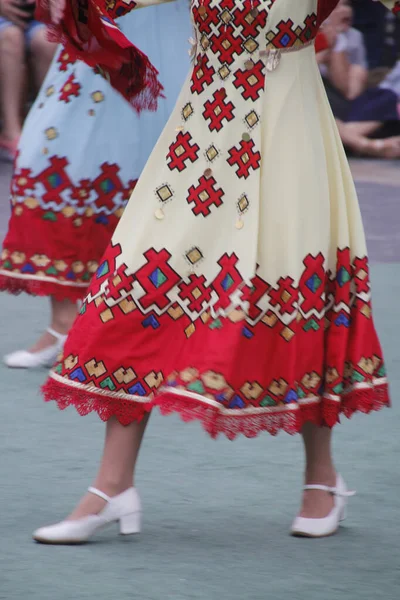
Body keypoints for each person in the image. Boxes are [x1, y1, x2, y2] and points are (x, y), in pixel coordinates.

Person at [33, 0, 398, 545]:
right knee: (138, 281)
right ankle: (111, 486)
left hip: (286, 135)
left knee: (296, 285)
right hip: (197, 139)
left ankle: (321, 476)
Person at [0, 1, 190, 368]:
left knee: (153, 168)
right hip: (97, 30)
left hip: (157, 32)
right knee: (51, 160)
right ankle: (66, 324)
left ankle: (151, 328)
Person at [318, 0, 400, 158]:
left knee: (386, 97)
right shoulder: (304, 35)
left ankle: (347, 138)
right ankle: (366, 145)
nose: (344, 11)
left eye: (347, 5)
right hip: (315, 98)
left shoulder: (354, 37)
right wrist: (321, 49)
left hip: (343, 104)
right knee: (315, 96)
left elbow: (350, 92)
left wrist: (335, 45)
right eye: (337, 7)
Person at [0, 0, 56, 160]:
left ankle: (49, 128)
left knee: (46, 40)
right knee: (10, 37)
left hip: (36, 16)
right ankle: (11, 132)